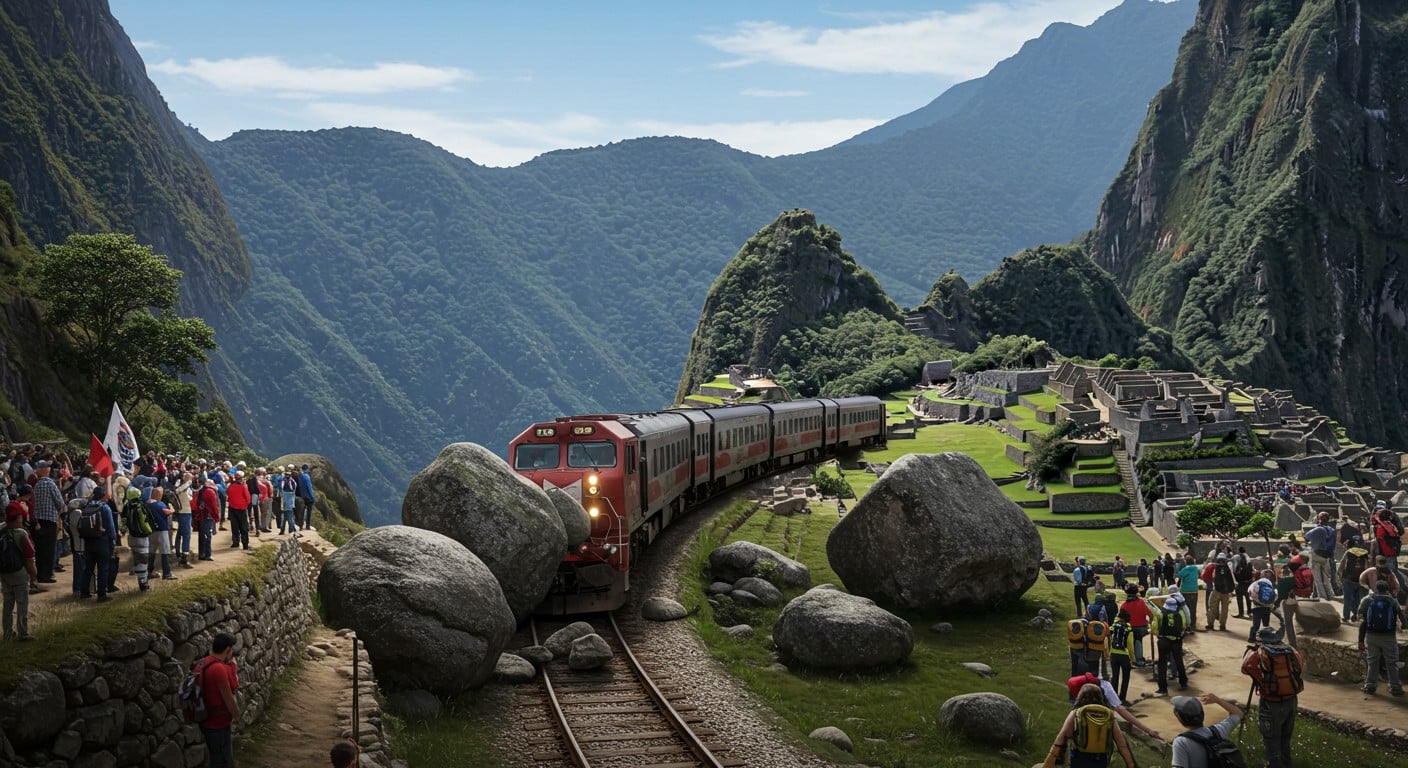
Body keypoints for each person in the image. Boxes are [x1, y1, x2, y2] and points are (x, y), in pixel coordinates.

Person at [1241, 626, 1302, 768]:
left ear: (1260, 640)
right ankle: (1287, 764)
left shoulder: (1261, 652)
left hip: (1271, 701)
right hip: (1291, 700)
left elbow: (1245, 667)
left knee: (1271, 740)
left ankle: (1274, 765)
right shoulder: (1291, 651)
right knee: (1285, 738)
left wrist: (1262, 680)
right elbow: (1299, 666)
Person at [1041, 683, 1135, 768]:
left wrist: (1049, 762)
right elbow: (1121, 744)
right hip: (1100, 759)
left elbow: (1062, 737)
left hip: (1080, 758)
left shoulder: (1076, 712)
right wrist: (1130, 764)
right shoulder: (1107, 714)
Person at [1356, 579, 1405, 695]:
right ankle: (1395, 687)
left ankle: (1370, 686)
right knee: (1392, 663)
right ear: (1387, 590)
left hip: (1372, 636)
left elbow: (1362, 621)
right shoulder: (1393, 601)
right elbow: (1402, 618)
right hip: (1389, 637)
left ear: (1376, 589)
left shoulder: (1367, 600)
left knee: (1372, 661)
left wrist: (1360, 640)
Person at [1168, 693, 1243, 768]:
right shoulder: (1217, 731)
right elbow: (1238, 713)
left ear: (1179, 718)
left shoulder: (1181, 742)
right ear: (1202, 714)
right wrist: (1217, 700)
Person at [200, 632, 241, 768]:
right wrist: (237, 717)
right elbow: (228, 698)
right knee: (223, 760)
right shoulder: (219, 669)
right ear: (228, 650)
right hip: (218, 724)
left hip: (208, 721)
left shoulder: (206, 662)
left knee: (216, 758)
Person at [2, 507, 39, 641]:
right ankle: (23, 632)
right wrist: (34, 575)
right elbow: (29, 558)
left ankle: (7, 633)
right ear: (18, 519)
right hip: (19, 572)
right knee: (22, 603)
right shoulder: (21, 534)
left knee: (7, 604)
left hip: (4, 572)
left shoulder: (1, 530)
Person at [78, 485, 118, 602]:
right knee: (103, 568)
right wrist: (113, 541)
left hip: (88, 541)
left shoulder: (86, 506)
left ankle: (84, 592)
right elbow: (110, 528)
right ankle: (101, 594)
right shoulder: (104, 508)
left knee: (88, 568)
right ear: (103, 495)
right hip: (102, 541)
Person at [29, 460, 63, 584]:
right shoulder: (50, 484)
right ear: (47, 470)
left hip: (38, 521)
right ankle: (47, 575)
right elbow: (60, 502)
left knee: (40, 549)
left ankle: (40, 574)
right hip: (49, 520)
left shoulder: (37, 485)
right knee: (49, 549)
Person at [1155, 591, 1188, 694]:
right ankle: (1183, 682)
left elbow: (1155, 627)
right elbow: (1185, 625)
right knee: (1179, 661)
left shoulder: (1160, 613)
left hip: (1164, 640)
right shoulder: (1181, 612)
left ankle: (1163, 688)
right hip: (1177, 640)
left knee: (1162, 663)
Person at [1372, 502, 1404, 599]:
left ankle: (1389, 594)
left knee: (1387, 575)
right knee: (1391, 573)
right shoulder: (1390, 523)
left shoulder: (1382, 526)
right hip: (1392, 552)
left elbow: (1379, 538)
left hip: (1384, 553)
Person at [1304, 511, 1338, 599]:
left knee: (1318, 579)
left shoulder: (1318, 529)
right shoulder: (1332, 530)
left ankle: (1323, 597)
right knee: (1326, 579)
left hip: (1317, 555)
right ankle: (1331, 595)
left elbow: (1306, 537)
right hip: (1327, 556)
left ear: (1319, 520)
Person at [1118, 587, 1152, 667]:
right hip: (1142, 627)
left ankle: (1130, 660)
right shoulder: (1142, 602)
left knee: (1128, 642)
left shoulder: (1124, 605)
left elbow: (1121, 619)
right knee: (1138, 640)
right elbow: (1150, 614)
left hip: (1129, 628)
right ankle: (1139, 660)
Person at [1339, 537, 1370, 622]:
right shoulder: (1364, 553)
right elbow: (1367, 567)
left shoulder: (1348, 552)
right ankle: (1355, 615)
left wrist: (1341, 577)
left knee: (1347, 599)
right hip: (1360, 580)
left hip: (1348, 579)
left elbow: (1342, 566)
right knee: (1357, 599)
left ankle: (1346, 617)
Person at [1108, 610, 1135, 704]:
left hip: (1114, 654)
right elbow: (1130, 645)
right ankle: (1122, 698)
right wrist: (1132, 659)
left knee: (1115, 676)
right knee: (1125, 677)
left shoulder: (1113, 627)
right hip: (1124, 655)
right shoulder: (1128, 629)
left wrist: (1108, 652)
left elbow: (1109, 639)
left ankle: (1113, 698)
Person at [1246, 568, 1277, 643]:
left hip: (1256, 608)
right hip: (1266, 608)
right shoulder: (1271, 585)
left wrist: (1256, 601)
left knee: (1256, 625)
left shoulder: (1256, 583)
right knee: (1266, 625)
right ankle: (1265, 639)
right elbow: (1274, 597)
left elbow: (1249, 592)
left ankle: (1252, 638)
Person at [1207, 552, 1234, 632]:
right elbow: (1232, 579)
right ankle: (1222, 625)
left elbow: (1212, 578)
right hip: (1226, 592)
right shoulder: (1228, 568)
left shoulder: (1216, 567)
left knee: (1212, 607)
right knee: (1224, 609)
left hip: (1216, 590)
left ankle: (1211, 624)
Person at [195, 479, 220, 562]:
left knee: (202, 536)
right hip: (208, 516)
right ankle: (207, 554)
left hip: (201, 516)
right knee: (207, 536)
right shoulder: (210, 492)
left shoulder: (201, 491)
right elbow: (213, 506)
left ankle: (201, 554)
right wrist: (216, 517)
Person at [225, 472, 251, 550]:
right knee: (244, 527)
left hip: (232, 508)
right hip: (241, 509)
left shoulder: (230, 486)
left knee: (235, 526)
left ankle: (235, 542)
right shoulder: (243, 486)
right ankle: (245, 544)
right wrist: (246, 504)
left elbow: (228, 496)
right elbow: (248, 498)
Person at [1176, 554, 1201, 631]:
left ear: (1186, 562)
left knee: (1185, 608)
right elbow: (1199, 574)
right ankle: (1193, 624)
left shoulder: (1185, 569)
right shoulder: (1196, 568)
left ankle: (1187, 624)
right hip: (1194, 591)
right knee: (1193, 608)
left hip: (1185, 591)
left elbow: (1179, 575)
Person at [1231, 546, 1254, 618]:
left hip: (1240, 582)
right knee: (1248, 598)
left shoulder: (1237, 558)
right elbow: (1251, 570)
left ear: (1239, 551)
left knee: (1239, 598)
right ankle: (1249, 612)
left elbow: (1235, 570)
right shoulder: (1248, 559)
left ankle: (1241, 613)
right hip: (1248, 582)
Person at [296, 463, 317, 531]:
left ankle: (301, 526)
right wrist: (312, 496)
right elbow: (309, 487)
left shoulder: (300, 476)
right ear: (307, 469)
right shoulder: (306, 476)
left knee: (302, 512)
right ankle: (307, 526)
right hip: (309, 497)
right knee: (309, 512)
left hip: (302, 496)